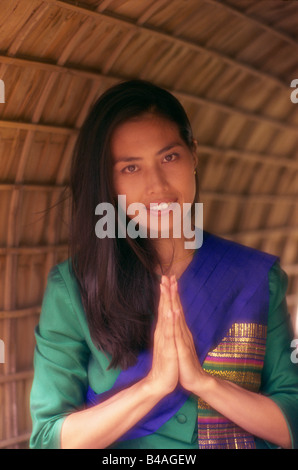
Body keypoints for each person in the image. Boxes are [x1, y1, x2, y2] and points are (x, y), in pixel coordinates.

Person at [30, 80, 298, 449]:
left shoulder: (256, 277)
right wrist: (153, 386)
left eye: (169, 157)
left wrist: (206, 384)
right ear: (108, 181)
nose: (157, 185)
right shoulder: (74, 289)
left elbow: (291, 422)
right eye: (130, 168)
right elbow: (47, 439)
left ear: (194, 155)